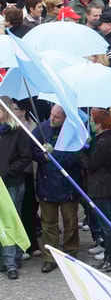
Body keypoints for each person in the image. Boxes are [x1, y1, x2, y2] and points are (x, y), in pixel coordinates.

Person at [31, 105, 83, 274]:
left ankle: (70, 251)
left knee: (70, 222)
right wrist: (43, 155)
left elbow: (76, 157)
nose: (52, 119)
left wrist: (54, 155)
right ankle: (49, 257)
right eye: (52, 115)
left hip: (67, 185)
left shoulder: (74, 131)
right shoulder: (42, 128)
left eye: (57, 117)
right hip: (46, 184)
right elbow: (32, 150)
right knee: (48, 224)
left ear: (65, 119)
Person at [80, 108, 111, 272]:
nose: (90, 122)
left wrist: (81, 151)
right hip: (104, 185)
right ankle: (110, 257)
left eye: (92, 120)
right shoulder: (108, 138)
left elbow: (90, 164)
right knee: (109, 224)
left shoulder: (105, 141)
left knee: (107, 225)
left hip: (100, 187)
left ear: (99, 123)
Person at [0, 96, 32, 280]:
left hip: (11, 182)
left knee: (12, 221)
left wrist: (8, 172)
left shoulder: (18, 132)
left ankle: (13, 261)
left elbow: (25, 158)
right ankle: (6, 260)